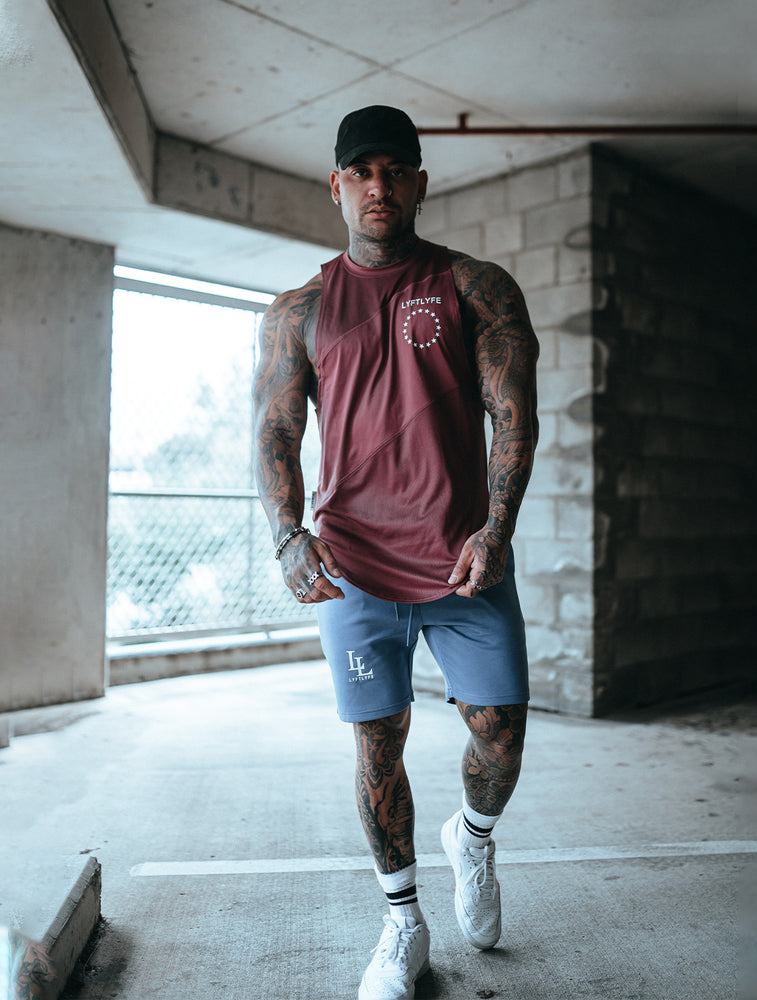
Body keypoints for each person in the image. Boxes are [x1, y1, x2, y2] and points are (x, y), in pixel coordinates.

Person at [253, 105, 539, 1000]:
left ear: (419, 183)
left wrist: (497, 528)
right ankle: (403, 921)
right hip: (354, 570)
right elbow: (275, 429)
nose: (378, 186)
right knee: (378, 744)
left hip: (463, 563)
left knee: (501, 736)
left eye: (394, 170)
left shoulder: (476, 287)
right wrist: (287, 537)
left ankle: (473, 841)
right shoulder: (299, 310)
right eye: (361, 172)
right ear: (337, 187)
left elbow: (514, 416)